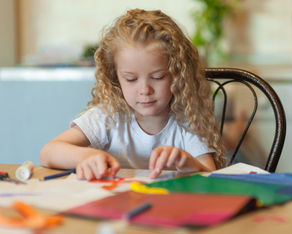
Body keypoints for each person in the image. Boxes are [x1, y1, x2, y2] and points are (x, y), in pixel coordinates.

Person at [40, 9, 225, 180]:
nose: (145, 90)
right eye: (130, 79)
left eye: (158, 77)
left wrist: (188, 164)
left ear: (177, 75)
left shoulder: (187, 121)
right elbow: (48, 152)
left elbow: (210, 174)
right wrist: (86, 156)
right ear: (115, 77)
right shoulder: (109, 116)